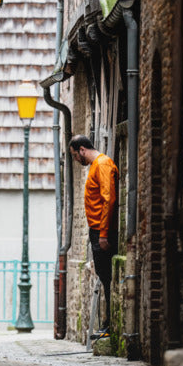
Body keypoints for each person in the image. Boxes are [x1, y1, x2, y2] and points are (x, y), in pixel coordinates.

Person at [69, 134, 119, 335]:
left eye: (74, 155)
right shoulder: (95, 166)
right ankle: (107, 323)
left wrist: (104, 234)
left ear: (82, 149)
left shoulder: (103, 164)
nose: (75, 160)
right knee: (104, 275)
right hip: (97, 229)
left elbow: (109, 199)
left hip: (102, 230)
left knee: (107, 277)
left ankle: (109, 325)